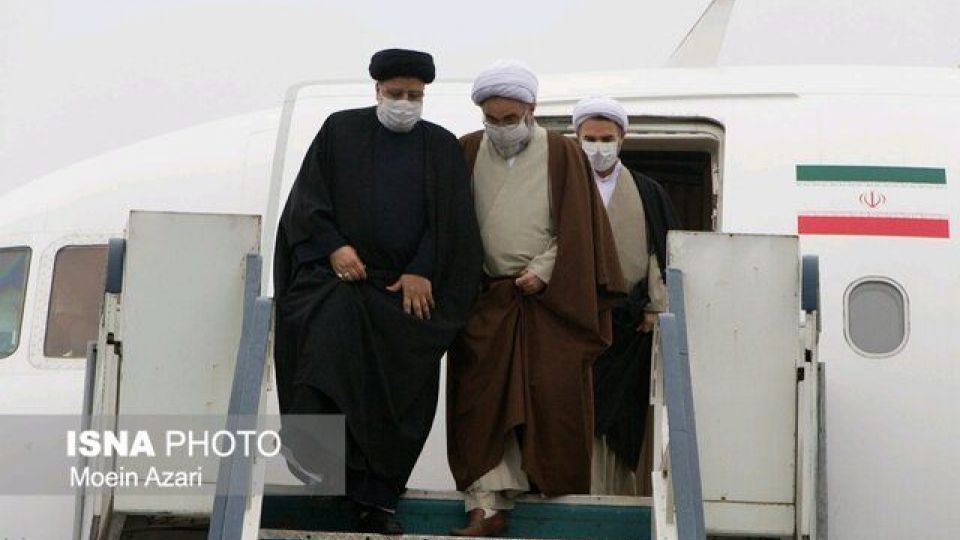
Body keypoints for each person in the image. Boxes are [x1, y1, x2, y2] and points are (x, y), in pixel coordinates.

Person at [272, 48, 482, 535]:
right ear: (377, 91)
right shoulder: (340, 131)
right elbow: (307, 202)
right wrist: (333, 247)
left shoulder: (440, 146)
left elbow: (452, 223)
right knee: (324, 348)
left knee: (400, 396)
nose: (405, 104)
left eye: (414, 96)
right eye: (396, 94)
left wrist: (422, 270)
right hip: (342, 281)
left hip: (405, 294)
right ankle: (322, 466)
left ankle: (379, 501)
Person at [446, 61, 625, 537]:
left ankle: (542, 494)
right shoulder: (467, 149)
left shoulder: (562, 153)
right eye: (492, 119)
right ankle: (485, 506)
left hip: (549, 303)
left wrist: (545, 269)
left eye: (510, 118)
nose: (501, 128)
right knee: (481, 403)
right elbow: (450, 223)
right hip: (486, 304)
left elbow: (581, 227)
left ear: (531, 110)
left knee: (548, 395)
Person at [572, 96, 679, 496]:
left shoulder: (648, 191)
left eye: (606, 139)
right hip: (571, 324)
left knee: (619, 420)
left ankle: (615, 491)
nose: (598, 147)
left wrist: (654, 306)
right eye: (590, 139)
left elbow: (662, 252)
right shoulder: (562, 186)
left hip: (628, 330)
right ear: (577, 138)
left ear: (622, 139)